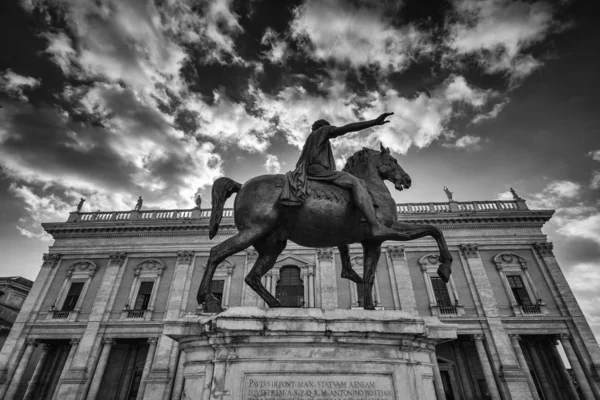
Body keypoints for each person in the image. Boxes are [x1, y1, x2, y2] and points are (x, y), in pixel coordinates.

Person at [281, 112, 396, 238]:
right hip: (317, 170)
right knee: (356, 182)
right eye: (330, 128)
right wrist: (374, 122)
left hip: (309, 169)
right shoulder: (322, 132)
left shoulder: (310, 139)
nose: (331, 131)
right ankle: (375, 226)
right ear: (324, 127)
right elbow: (346, 129)